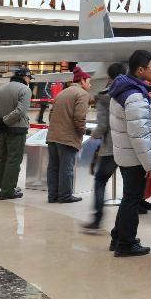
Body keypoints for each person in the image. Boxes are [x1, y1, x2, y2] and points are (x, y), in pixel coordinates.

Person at [108, 50, 151, 257]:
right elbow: (139, 134)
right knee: (132, 199)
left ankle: (119, 236)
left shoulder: (125, 88)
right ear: (141, 70)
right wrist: (149, 165)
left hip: (127, 154)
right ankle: (126, 244)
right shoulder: (135, 95)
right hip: (134, 157)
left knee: (129, 197)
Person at [84, 63, 126, 231]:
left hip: (110, 147)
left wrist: (93, 136)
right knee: (131, 187)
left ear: (109, 78)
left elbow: (102, 126)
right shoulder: (132, 93)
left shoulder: (104, 96)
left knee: (100, 180)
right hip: (130, 147)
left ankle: (97, 219)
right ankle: (125, 227)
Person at [46, 66, 92, 204]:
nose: (90, 85)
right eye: (89, 82)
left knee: (53, 167)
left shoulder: (62, 92)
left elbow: (51, 114)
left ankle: (52, 196)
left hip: (53, 135)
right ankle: (65, 195)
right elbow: (79, 117)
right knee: (66, 168)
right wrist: (82, 131)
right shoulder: (82, 94)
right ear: (82, 80)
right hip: (67, 138)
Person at [0, 68, 33, 200]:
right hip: (17, 129)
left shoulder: (0, 90)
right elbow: (20, 111)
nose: (29, 81)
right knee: (14, 160)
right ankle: (7, 190)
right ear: (25, 77)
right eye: (29, 78)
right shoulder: (25, 90)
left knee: (1, 158)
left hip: (2, 130)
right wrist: (5, 122)